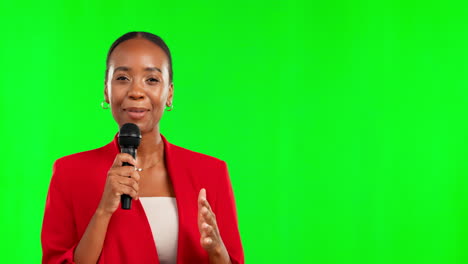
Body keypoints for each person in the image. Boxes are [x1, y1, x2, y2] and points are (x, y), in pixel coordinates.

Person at [41, 31, 244, 264]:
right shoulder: (70, 173)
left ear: (169, 93)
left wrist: (217, 251)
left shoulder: (211, 173)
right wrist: (103, 211)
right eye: (122, 78)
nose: (136, 92)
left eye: (152, 80)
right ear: (106, 90)